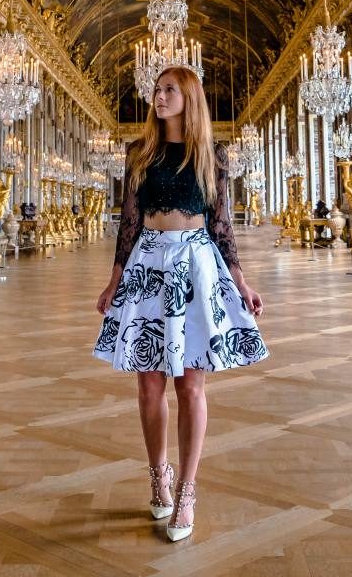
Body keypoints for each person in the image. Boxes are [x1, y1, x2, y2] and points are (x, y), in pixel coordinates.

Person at [93, 65, 267, 543]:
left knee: (190, 384)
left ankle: (188, 490)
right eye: (156, 89)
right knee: (149, 386)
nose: (159, 96)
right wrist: (114, 282)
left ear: (190, 97)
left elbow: (223, 227)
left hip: (196, 265)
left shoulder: (213, 156)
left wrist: (242, 283)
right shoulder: (139, 153)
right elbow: (127, 224)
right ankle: (159, 476)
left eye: (169, 89)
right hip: (147, 264)